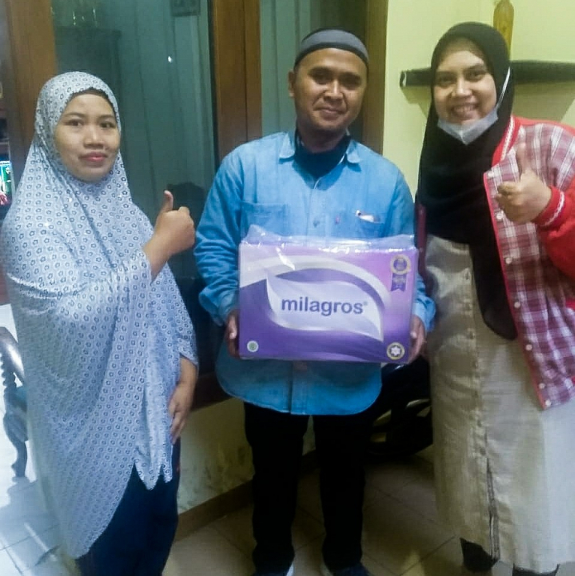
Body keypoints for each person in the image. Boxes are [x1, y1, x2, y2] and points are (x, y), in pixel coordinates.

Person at [194, 28, 435, 576]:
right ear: (292, 83)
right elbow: (213, 247)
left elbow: (406, 271)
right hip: (264, 370)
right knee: (271, 471)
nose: (334, 91)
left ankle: (344, 560)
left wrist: (416, 316)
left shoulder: (385, 183)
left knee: (347, 474)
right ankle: (272, 558)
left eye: (350, 81)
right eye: (320, 76)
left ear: (363, 91)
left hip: (347, 374)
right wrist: (232, 306)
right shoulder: (245, 167)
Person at [0, 72, 199, 576]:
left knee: (157, 535)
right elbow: (68, 322)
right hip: (94, 439)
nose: (95, 138)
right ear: (48, 131)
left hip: (157, 421)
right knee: (112, 555)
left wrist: (187, 372)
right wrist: (159, 247)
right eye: (76, 123)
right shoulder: (30, 224)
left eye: (107, 124)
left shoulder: (125, 211)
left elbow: (166, 303)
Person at [417, 22, 575, 576]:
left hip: (529, 359)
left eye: (476, 74)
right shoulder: (432, 160)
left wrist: (550, 208)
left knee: (533, 492)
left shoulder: (550, 145)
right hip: (454, 357)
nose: (460, 91)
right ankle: (476, 563)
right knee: (467, 472)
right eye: (445, 79)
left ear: (502, 79)